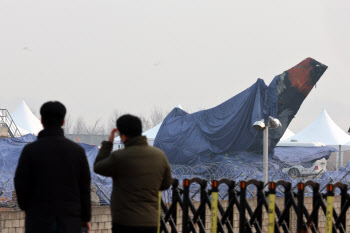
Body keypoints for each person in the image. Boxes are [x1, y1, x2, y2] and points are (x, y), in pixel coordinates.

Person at [14, 101, 91, 233]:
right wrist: (85, 218)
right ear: (63, 121)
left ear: (42, 120)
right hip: (69, 222)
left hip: (38, 221)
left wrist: (28, 208)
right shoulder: (77, 152)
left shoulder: (30, 151)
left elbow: (20, 183)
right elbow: (84, 188)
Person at [94, 114, 172, 233]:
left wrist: (108, 144)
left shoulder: (119, 157)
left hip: (124, 222)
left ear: (123, 137)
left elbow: (98, 167)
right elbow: (166, 184)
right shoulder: (159, 156)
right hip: (150, 221)